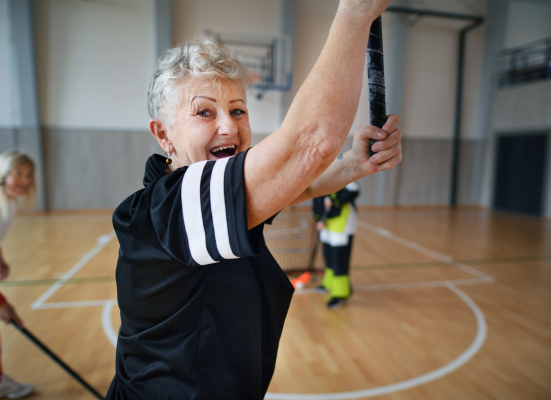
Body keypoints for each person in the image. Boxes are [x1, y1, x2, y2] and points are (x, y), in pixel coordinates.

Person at [107, 0, 402, 398]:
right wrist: (355, 13)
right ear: (164, 136)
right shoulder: (168, 209)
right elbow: (313, 142)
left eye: (238, 110)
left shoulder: (212, 198)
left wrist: (354, 165)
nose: (229, 126)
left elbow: (301, 186)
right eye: (204, 113)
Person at [0, 151, 36, 400]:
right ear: (2, 173)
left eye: (29, 174)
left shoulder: (7, 201)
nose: (25, 180)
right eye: (18, 173)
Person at [313, 181, 360, 309]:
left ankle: (341, 293)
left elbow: (354, 190)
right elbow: (317, 197)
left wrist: (335, 200)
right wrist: (318, 218)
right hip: (326, 221)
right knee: (328, 253)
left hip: (342, 220)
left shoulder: (344, 167)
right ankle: (329, 283)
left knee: (339, 257)